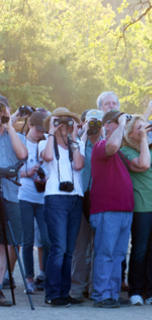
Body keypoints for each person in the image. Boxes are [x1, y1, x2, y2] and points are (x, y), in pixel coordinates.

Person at [119, 115, 152, 306]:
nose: (144, 131)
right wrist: (143, 141)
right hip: (142, 206)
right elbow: (143, 165)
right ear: (130, 133)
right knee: (140, 249)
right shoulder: (125, 150)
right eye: (139, 128)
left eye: (145, 127)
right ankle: (136, 290)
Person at [88, 111, 135, 308]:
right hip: (107, 209)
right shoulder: (101, 146)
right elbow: (112, 145)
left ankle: (112, 293)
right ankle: (101, 294)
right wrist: (122, 124)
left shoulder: (122, 152)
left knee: (118, 255)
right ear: (106, 125)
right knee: (105, 252)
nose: (120, 125)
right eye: (115, 122)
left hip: (124, 210)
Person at [39, 108, 85, 307]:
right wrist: (51, 131)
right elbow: (48, 157)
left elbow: (78, 165)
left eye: (68, 122)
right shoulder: (44, 141)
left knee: (69, 250)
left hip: (75, 198)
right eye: (59, 122)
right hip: (55, 198)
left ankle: (64, 293)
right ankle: (52, 293)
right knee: (58, 247)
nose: (64, 126)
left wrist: (73, 139)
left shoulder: (77, 143)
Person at [70, 109, 103, 300]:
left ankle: (94, 288)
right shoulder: (77, 143)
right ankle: (76, 288)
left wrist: (102, 135)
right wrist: (82, 134)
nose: (94, 127)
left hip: (100, 198)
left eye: (98, 123)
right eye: (91, 122)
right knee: (80, 247)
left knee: (98, 245)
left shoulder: (104, 144)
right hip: (80, 197)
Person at [18, 110, 49, 295]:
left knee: (46, 239)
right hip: (24, 196)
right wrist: (27, 173)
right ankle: (29, 278)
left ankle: (44, 275)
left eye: (43, 131)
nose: (41, 134)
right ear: (30, 125)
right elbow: (13, 168)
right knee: (27, 240)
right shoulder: (21, 142)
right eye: (39, 130)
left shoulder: (46, 142)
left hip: (43, 197)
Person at [0, 96, 28, 306]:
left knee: (11, 242)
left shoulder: (15, 135)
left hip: (10, 195)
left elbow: (23, 154)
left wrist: (9, 125)